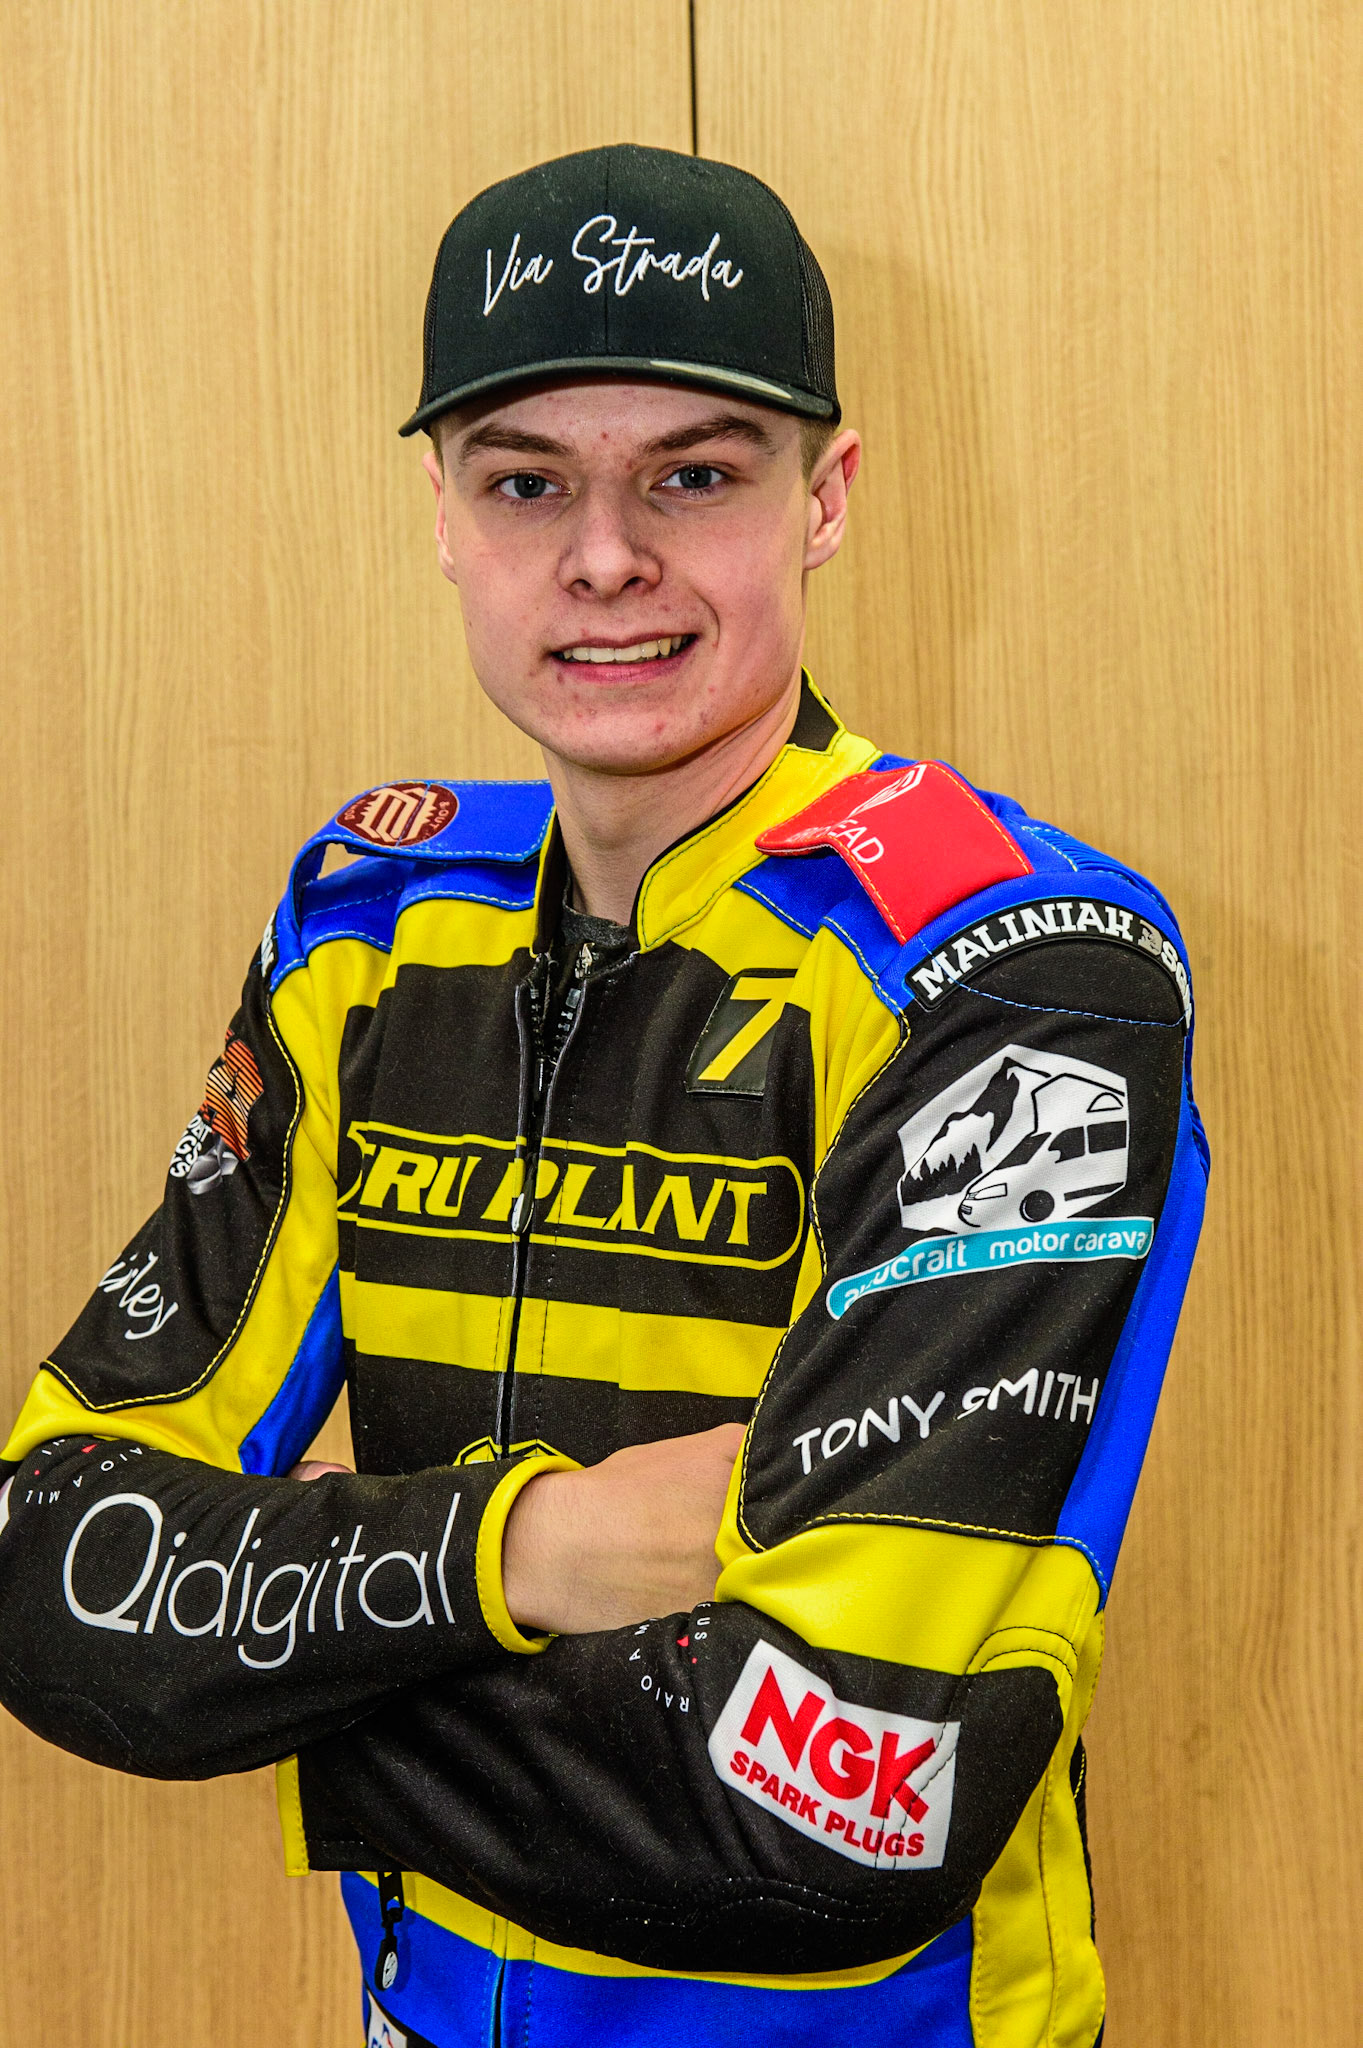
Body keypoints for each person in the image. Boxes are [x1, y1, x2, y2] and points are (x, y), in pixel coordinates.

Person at [0, 145, 1207, 2048]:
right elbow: (55, 1570)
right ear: (443, 517)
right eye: (527, 480)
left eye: (697, 475)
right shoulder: (365, 939)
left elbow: (835, 1811)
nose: (604, 558)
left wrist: (279, 1658)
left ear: (828, 499)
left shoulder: (1017, 975)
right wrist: (533, 1551)